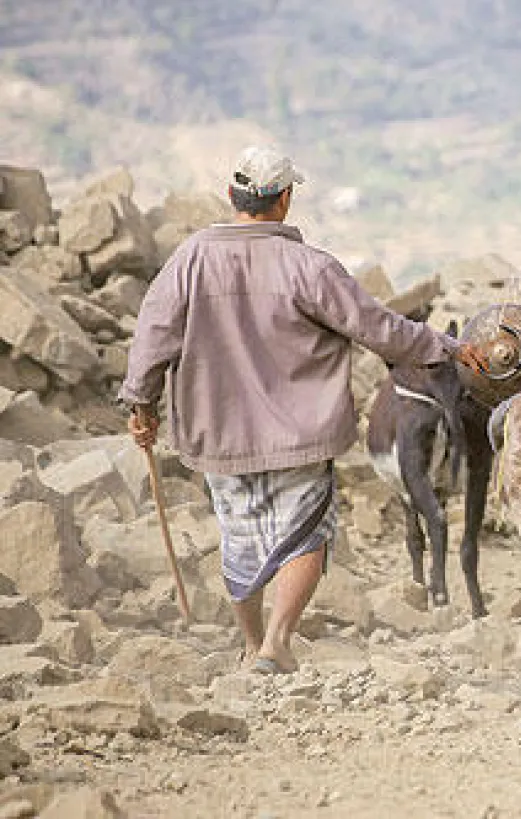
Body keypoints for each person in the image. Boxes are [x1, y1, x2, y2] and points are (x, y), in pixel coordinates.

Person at [119, 145, 490, 674]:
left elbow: (153, 336)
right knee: (305, 535)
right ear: (285, 199)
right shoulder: (310, 267)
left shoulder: (190, 259)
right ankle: (277, 641)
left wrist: (140, 402)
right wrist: (446, 347)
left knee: (239, 537)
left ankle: (253, 645)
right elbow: (380, 329)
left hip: (218, 432)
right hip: (300, 433)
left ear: (232, 195)